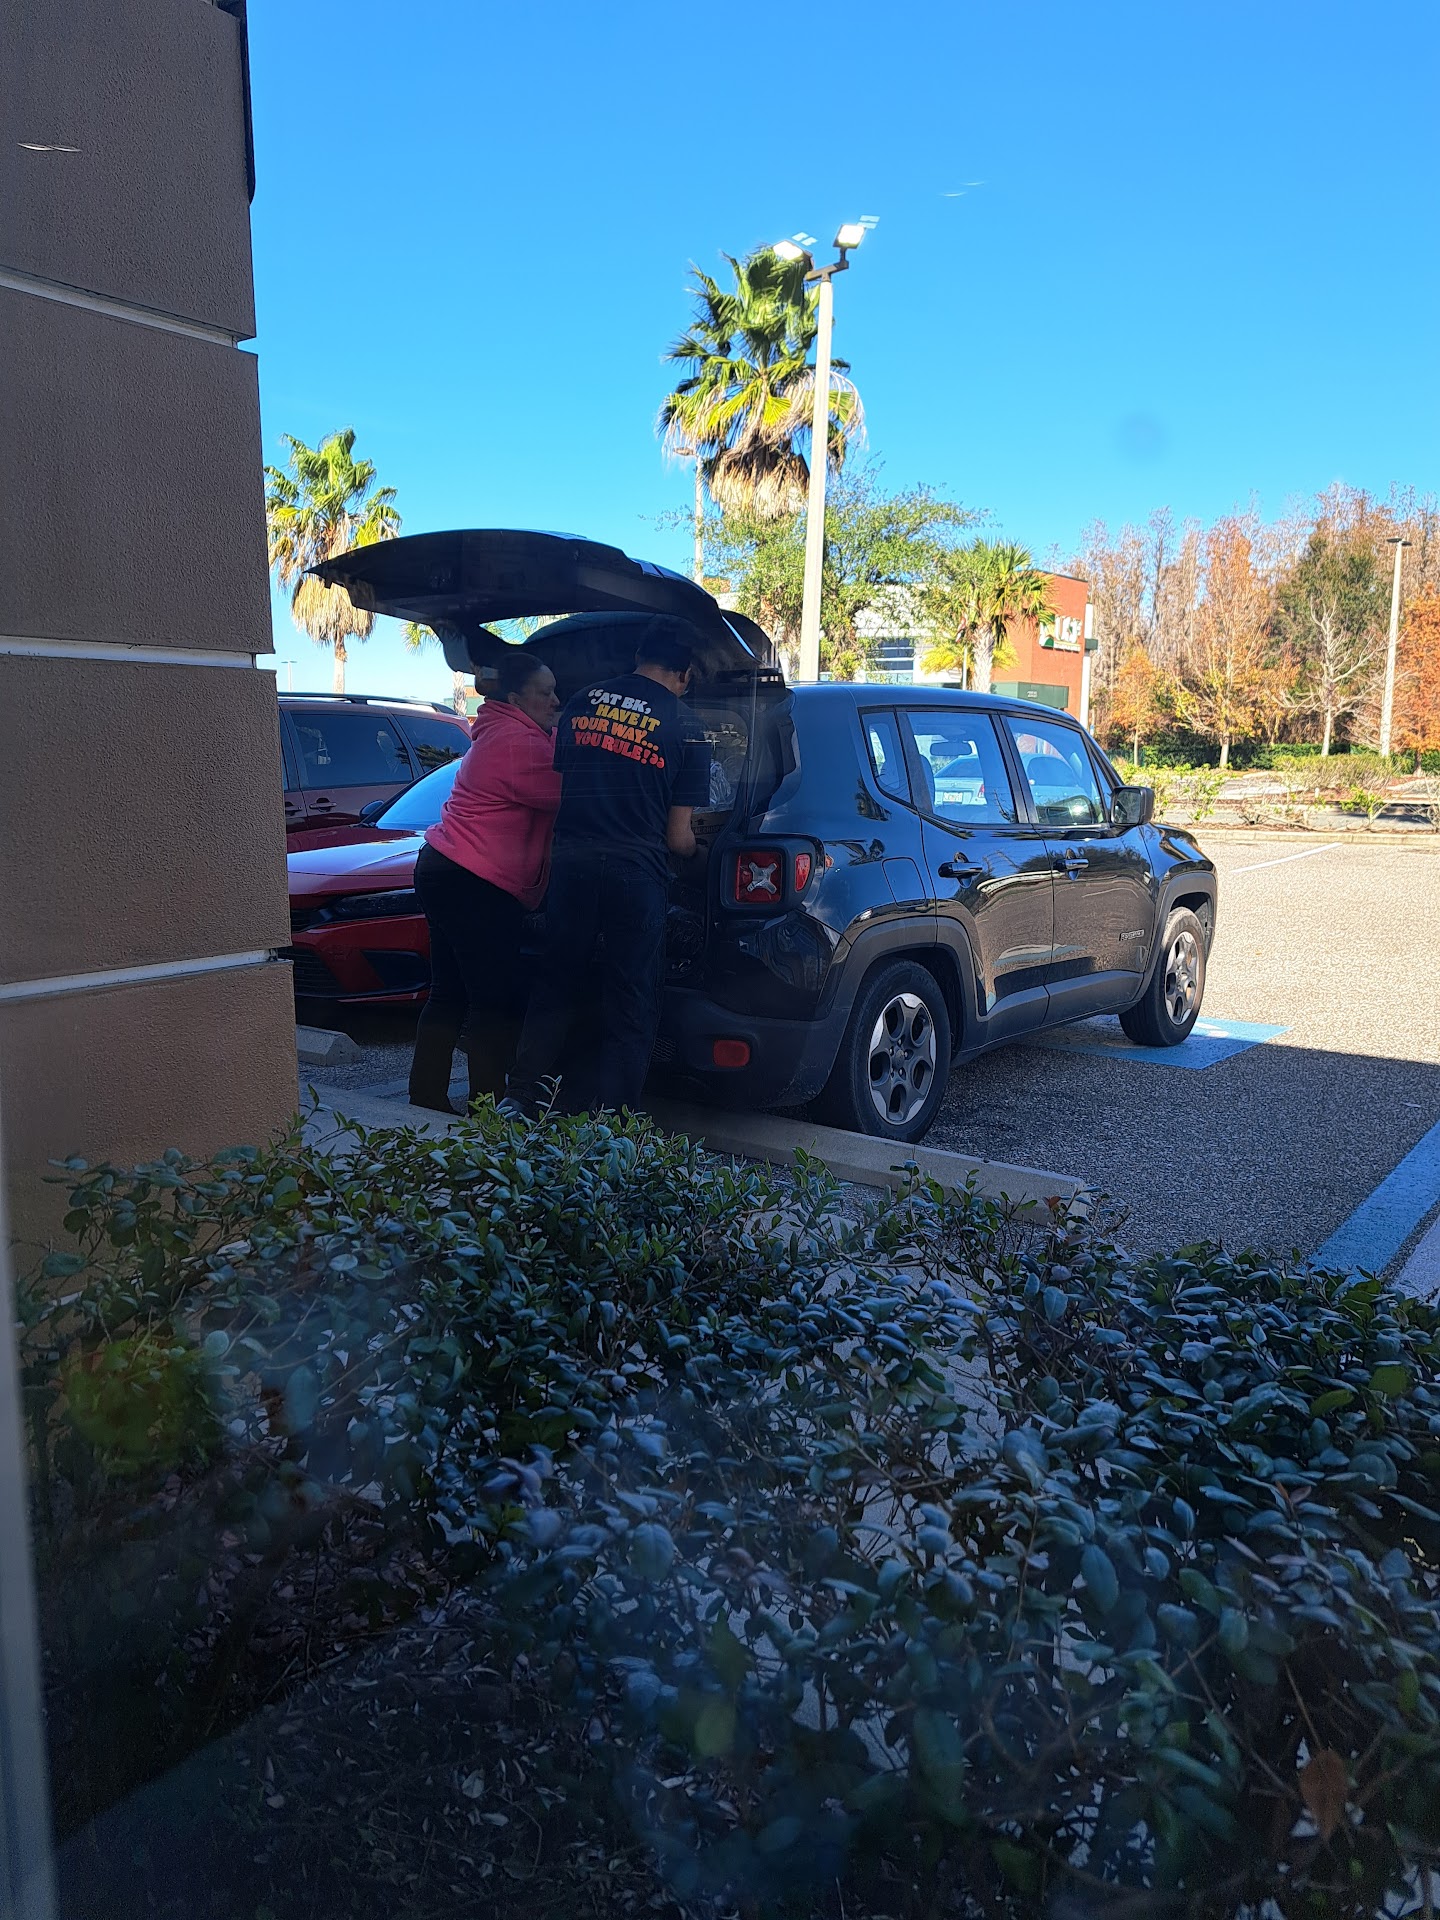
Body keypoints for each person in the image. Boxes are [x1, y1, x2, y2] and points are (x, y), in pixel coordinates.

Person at [507, 618, 710, 1114]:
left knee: (557, 981)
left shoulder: (582, 702)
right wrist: (703, 857)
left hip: (572, 864)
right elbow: (678, 838)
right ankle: (615, 1118)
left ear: (638, 658)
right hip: (635, 874)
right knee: (632, 995)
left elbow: (569, 786)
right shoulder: (687, 727)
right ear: (684, 675)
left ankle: (522, 1097)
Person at [406, 652, 561, 1113]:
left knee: (449, 992)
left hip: (444, 866)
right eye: (546, 693)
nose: (556, 701)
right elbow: (573, 789)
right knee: (492, 1000)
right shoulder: (518, 744)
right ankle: (488, 1108)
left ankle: (426, 1097)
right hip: (474, 880)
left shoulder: (497, 733)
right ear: (515, 698)